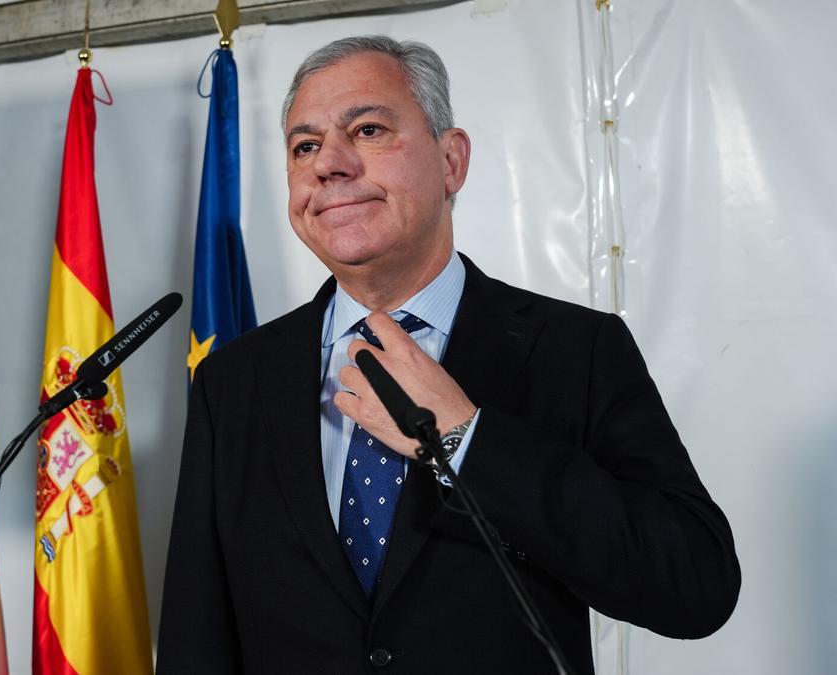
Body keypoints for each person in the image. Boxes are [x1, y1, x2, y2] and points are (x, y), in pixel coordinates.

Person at [157, 36, 739, 674]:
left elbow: (695, 586)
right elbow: (196, 636)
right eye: (305, 146)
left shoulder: (577, 350)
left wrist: (469, 438)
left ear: (452, 160)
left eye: (369, 129)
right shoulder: (234, 381)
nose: (329, 165)